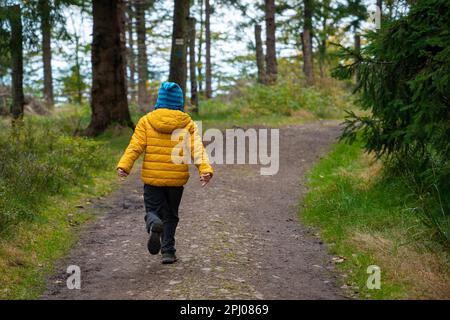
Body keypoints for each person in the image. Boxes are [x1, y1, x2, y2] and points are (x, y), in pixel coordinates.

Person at [116, 81, 213, 264]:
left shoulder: (146, 121)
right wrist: (205, 169)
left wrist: (124, 166)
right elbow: (197, 148)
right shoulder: (187, 123)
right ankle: (168, 251)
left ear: (159, 100)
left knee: (153, 211)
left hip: (153, 179)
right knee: (171, 215)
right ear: (179, 102)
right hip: (176, 179)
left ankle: (153, 223)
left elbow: (135, 147)